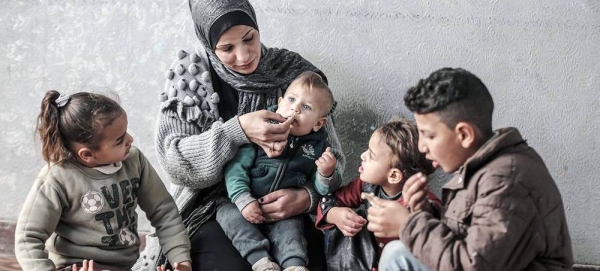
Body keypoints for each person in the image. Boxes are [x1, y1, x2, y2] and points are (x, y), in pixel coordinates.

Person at [134, 0, 345, 270]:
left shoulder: (295, 75)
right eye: (227, 48)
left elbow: (332, 158)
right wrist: (237, 131)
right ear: (208, 43)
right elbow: (176, 165)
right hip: (214, 209)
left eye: (250, 39)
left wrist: (306, 197)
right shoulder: (191, 75)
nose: (244, 56)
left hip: (291, 207)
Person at [368, 68, 573, 270]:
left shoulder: (507, 179)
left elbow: (474, 264)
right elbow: (470, 236)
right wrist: (424, 212)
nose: (422, 147)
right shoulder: (485, 166)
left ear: (465, 135)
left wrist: (408, 225)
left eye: (429, 135)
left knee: (398, 255)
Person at [15, 91, 191, 271]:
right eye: (120, 140)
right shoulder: (56, 178)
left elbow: (165, 212)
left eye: (126, 132)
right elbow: (28, 238)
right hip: (74, 265)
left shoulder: (134, 161)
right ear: (88, 155)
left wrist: (182, 260)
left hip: (124, 266)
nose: (130, 140)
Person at [218, 71, 341, 271]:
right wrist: (243, 200)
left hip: (285, 211)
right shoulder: (262, 130)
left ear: (319, 123)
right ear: (280, 101)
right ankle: (261, 262)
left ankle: (294, 265)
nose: (295, 108)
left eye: (306, 107)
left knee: (292, 231)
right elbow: (235, 168)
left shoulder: (318, 147)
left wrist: (326, 174)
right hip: (242, 203)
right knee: (229, 218)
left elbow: (322, 189)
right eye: (291, 100)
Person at [315, 119, 441, 271]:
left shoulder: (422, 203)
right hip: (367, 262)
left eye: (372, 155)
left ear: (393, 176)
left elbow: (433, 243)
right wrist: (334, 214)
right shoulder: (368, 186)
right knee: (344, 221)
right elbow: (330, 200)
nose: (363, 156)